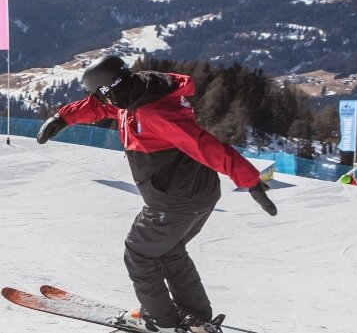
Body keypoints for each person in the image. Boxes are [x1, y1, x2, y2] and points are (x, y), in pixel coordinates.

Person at [37, 55, 277, 333]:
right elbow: (99, 107)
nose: (103, 101)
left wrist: (249, 179)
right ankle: (197, 318)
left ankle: (160, 321)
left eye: (101, 94)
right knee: (169, 250)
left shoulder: (153, 113)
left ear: (110, 89)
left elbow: (205, 145)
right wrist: (63, 117)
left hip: (175, 200)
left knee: (138, 253)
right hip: (197, 194)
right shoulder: (133, 95)